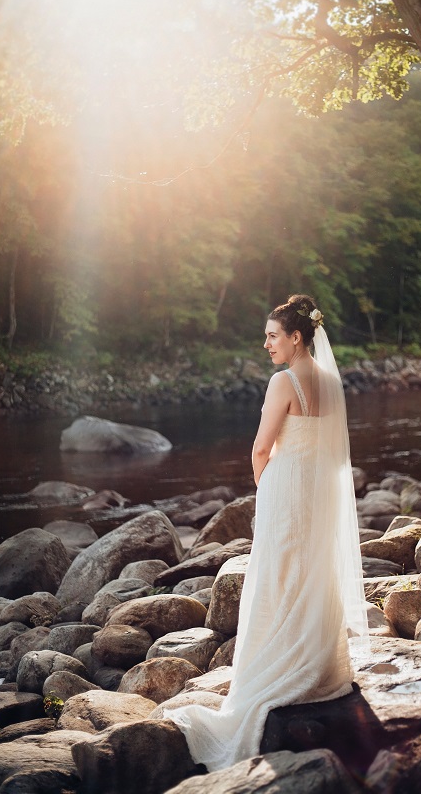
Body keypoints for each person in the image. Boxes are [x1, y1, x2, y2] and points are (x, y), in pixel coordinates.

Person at [163, 293, 368, 771]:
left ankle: (274, 670)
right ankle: (319, 669)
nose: (266, 344)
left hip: (286, 488)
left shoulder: (284, 381)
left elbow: (260, 448)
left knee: (278, 575)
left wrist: (268, 485)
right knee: (314, 572)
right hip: (321, 491)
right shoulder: (332, 383)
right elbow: (337, 455)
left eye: (273, 335)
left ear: (297, 338)